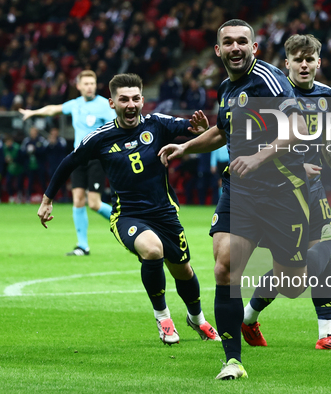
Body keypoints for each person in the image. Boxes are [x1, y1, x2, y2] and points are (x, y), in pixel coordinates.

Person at [159, 20, 331, 380]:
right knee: (225, 267)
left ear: (254, 48)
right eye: (228, 42)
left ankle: (302, 268)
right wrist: (185, 147)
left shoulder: (270, 80)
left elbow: (296, 129)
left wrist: (258, 157)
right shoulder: (226, 88)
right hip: (241, 190)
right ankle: (232, 360)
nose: (235, 48)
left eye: (242, 42)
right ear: (217, 50)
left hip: (283, 193)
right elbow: (222, 129)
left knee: (293, 284)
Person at [37, 73, 219, 345]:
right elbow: (69, 163)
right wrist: (47, 199)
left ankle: (198, 319)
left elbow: (190, 128)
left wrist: (202, 127)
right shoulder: (100, 138)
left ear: (143, 100)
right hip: (128, 215)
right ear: (112, 103)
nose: (131, 104)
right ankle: (163, 318)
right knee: (152, 249)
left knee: (183, 271)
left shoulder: (157, 124)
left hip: (165, 213)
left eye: (135, 98)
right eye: (124, 99)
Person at [240, 34, 331, 352]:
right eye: (298, 59)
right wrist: (294, 165)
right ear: (287, 63)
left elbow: (328, 141)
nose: (304, 65)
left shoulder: (325, 95)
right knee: (292, 273)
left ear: (318, 62)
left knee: (313, 259)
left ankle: (326, 334)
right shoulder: (275, 93)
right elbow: (253, 142)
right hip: (277, 190)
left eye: (310, 59)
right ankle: (247, 318)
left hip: (313, 188)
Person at [20, 70, 116, 256]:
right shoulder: (75, 104)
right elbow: (53, 109)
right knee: (78, 200)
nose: (90, 87)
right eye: (86, 83)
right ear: (78, 86)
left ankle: (126, 221)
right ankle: (82, 246)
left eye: (92, 83)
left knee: (94, 204)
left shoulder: (105, 105)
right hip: (78, 158)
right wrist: (33, 112)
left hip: (97, 158)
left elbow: (115, 128)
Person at [20, 127, 48, 202]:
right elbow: (22, 152)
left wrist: (35, 150)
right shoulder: (26, 141)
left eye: (34, 131)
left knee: (43, 182)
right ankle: (28, 198)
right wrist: (27, 151)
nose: (33, 133)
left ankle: (47, 199)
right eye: (32, 131)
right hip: (29, 166)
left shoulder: (41, 140)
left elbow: (45, 151)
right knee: (30, 182)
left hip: (40, 165)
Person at [3, 135, 24, 203]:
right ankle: (11, 196)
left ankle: (19, 196)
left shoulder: (17, 148)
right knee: (8, 182)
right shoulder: (4, 148)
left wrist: (13, 159)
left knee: (19, 184)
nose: (8, 143)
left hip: (19, 168)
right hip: (10, 169)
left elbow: (21, 159)